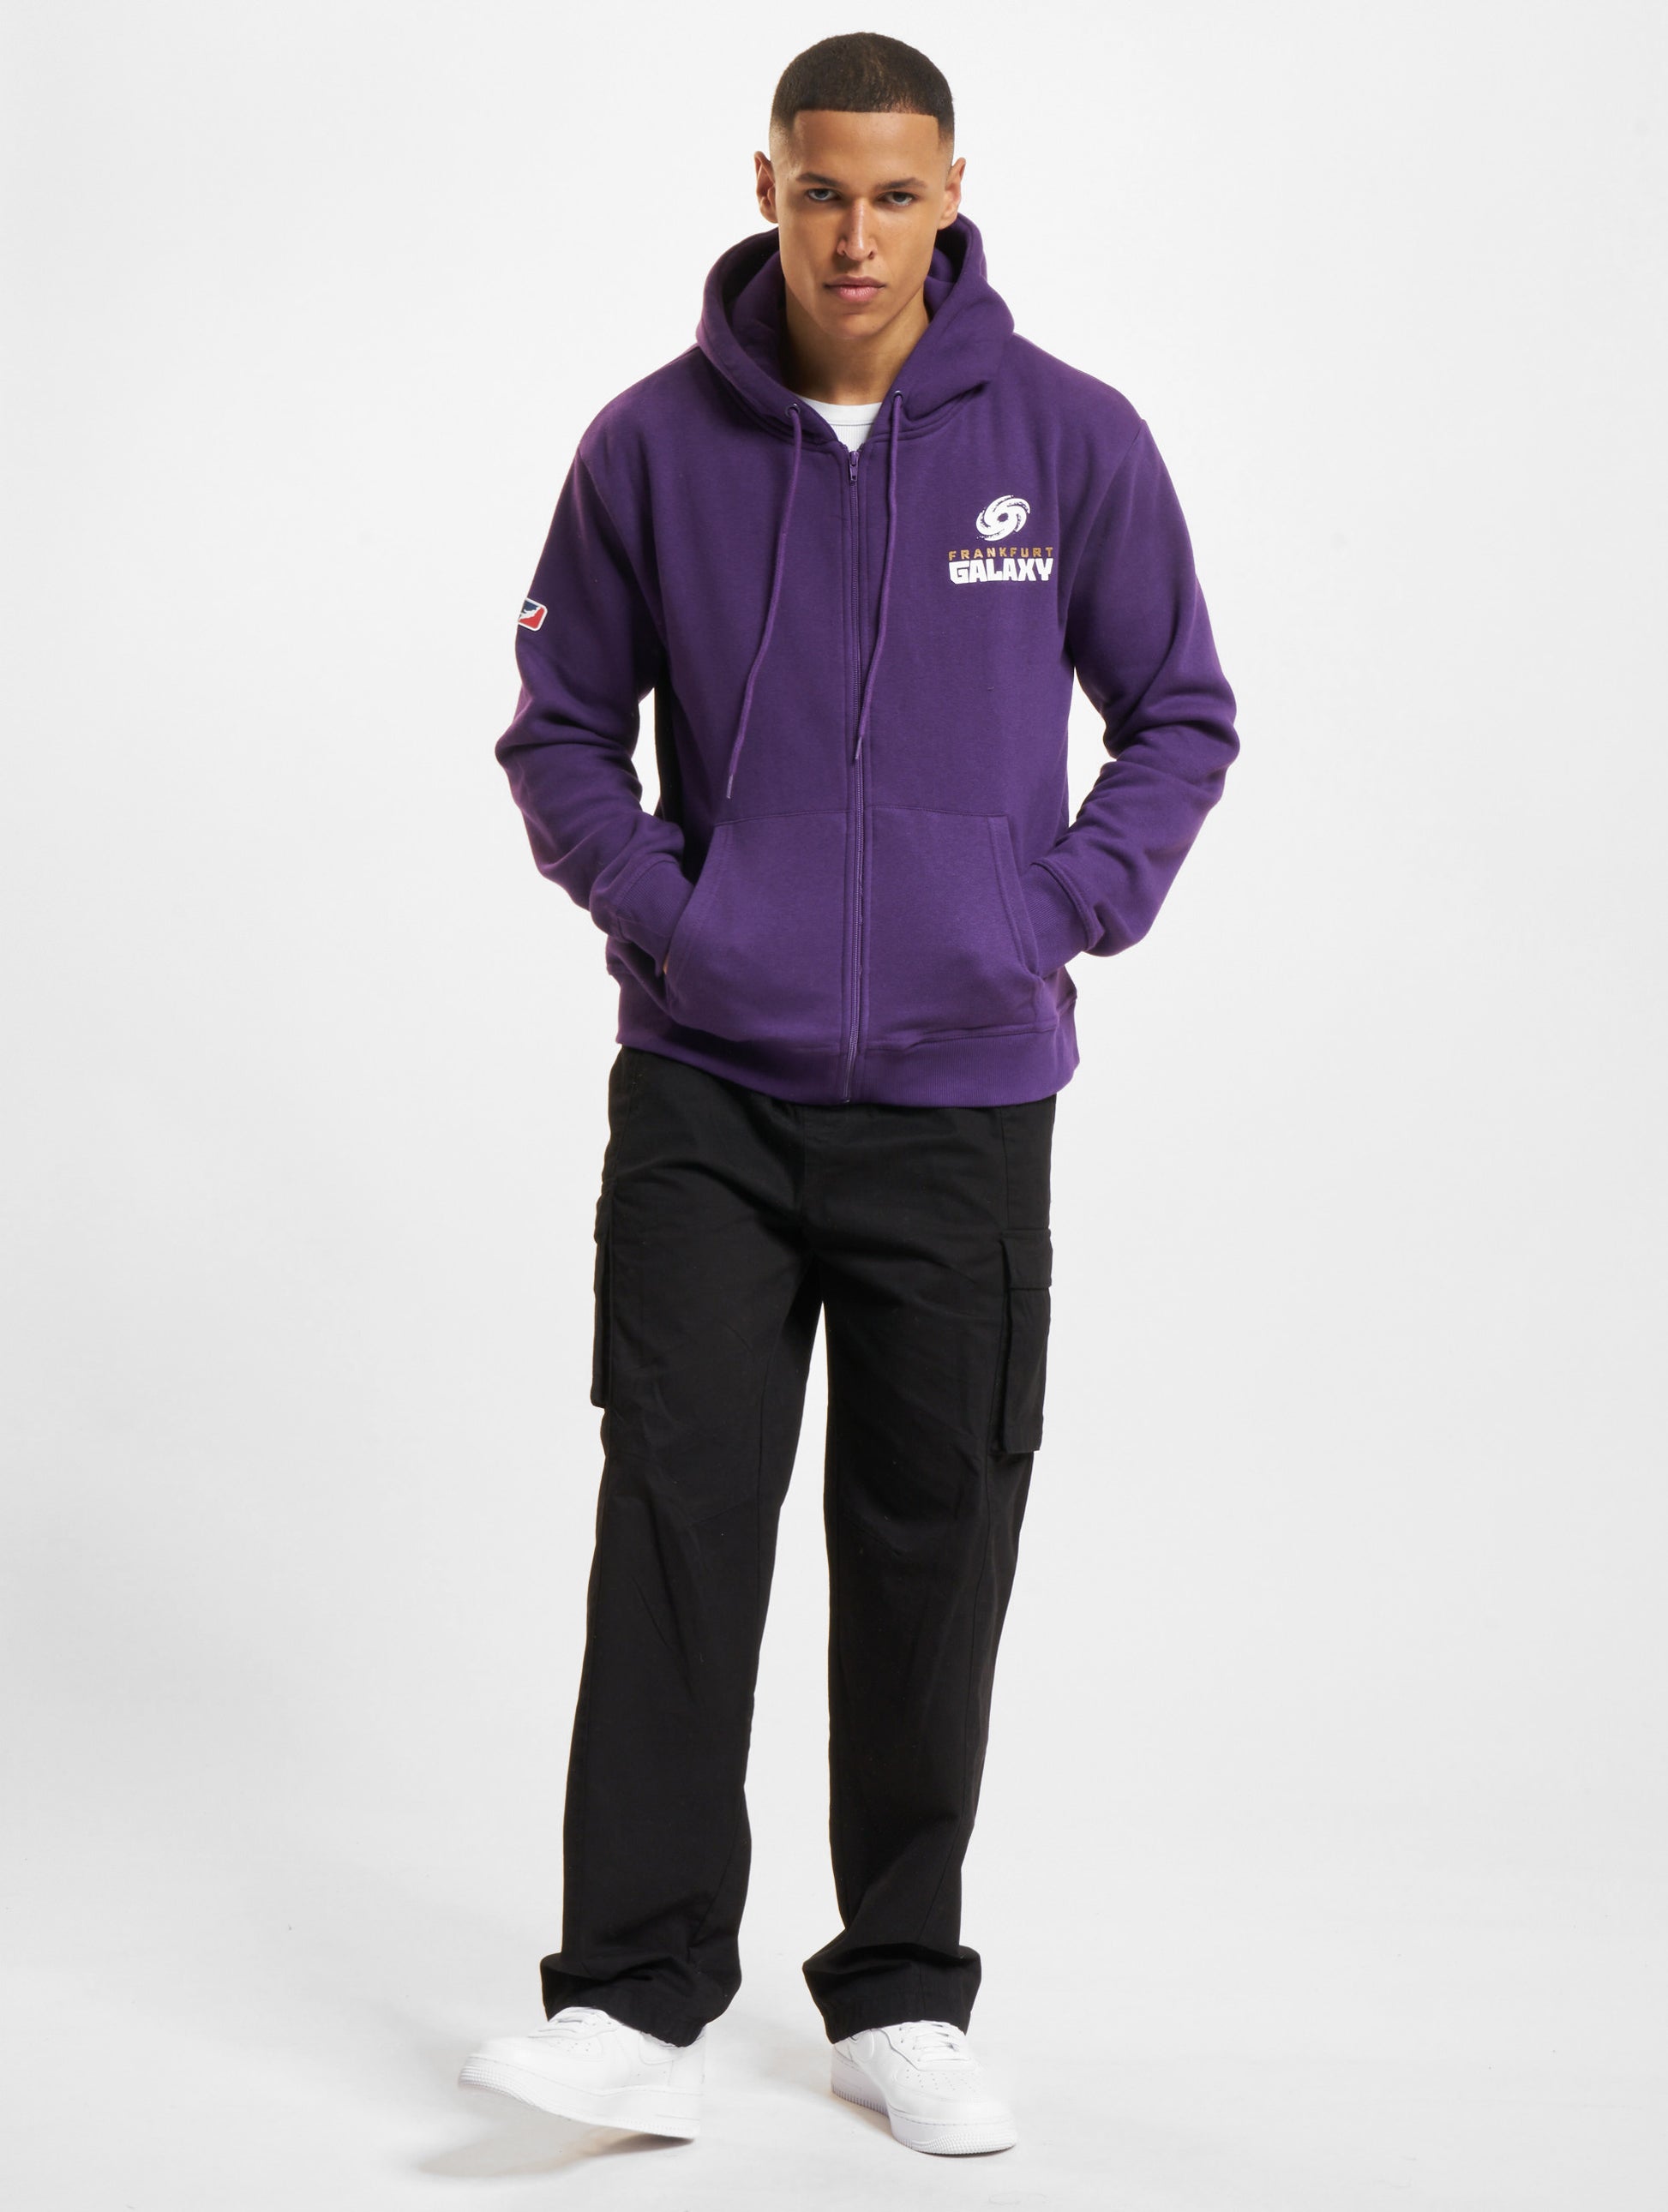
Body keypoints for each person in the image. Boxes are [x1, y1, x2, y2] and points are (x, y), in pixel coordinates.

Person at [459, 30, 1239, 2158]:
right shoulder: (651, 445)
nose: (857, 234)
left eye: (896, 194)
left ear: (950, 193)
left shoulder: (1067, 439)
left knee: (931, 1538)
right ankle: (629, 2003)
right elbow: (557, 728)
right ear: (769, 189)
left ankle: (898, 1990)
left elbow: (1177, 712)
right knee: (676, 1520)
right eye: (823, 192)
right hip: (706, 1092)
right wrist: (676, 921)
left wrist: (1047, 913)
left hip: (966, 1100)